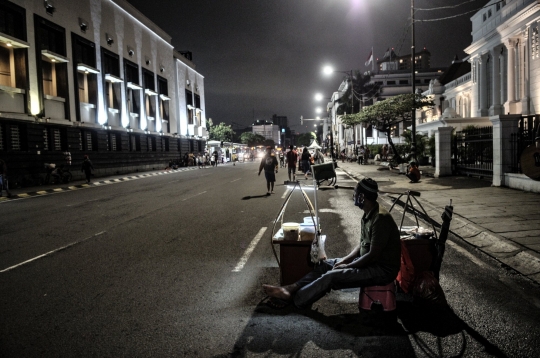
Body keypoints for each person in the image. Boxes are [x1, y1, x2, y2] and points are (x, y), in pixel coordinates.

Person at [263, 178, 401, 309]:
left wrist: (348, 266)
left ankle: (296, 300)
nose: (353, 196)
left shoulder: (380, 219)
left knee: (332, 276)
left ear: (362, 197)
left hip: (381, 270)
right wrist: (345, 261)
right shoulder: (368, 214)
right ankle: (290, 288)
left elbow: (372, 255)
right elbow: (362, 245)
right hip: (368, 263)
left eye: (355, 193)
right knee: (326, 265)